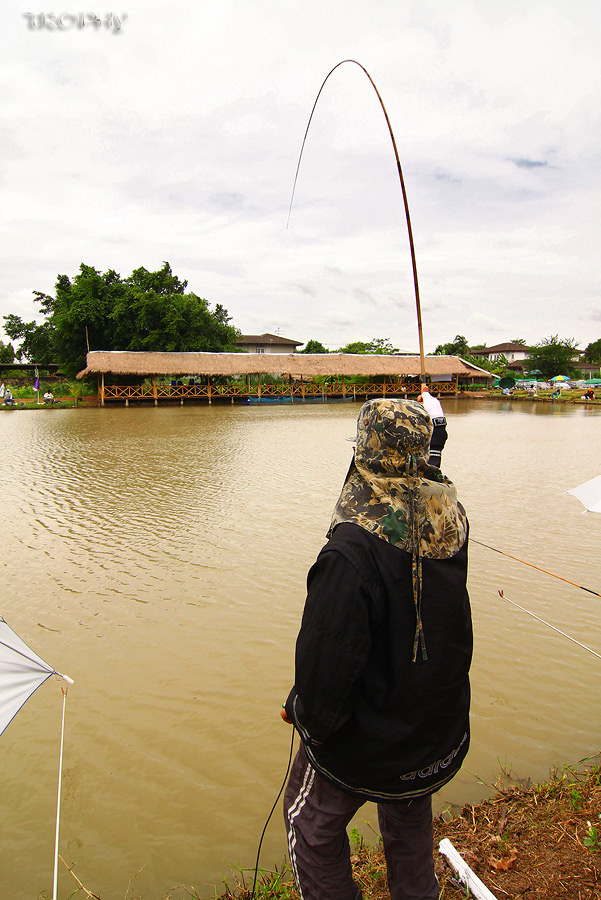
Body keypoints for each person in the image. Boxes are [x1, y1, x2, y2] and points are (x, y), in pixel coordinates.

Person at [282, 398, 472, 900]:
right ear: (422, 452)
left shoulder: (349, 550)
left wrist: (303, 714)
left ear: (363, 451)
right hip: (433, 732)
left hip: (371, 742)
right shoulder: (449, 516)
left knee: (310, 826)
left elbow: (325, 673)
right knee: (408, 819)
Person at [416, 387, 447, 467]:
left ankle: (431, 472)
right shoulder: (435, 401)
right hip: (441, 429)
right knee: (436, 454)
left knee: (432, 455)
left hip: (435, 429)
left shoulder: (425, 403)